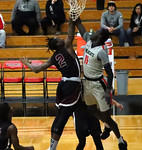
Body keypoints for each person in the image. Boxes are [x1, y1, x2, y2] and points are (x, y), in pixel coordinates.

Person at [20, 17, 82, 150]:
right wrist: (72, 19)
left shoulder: (54, 57)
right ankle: (53, 147)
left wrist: (26, 64)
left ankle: (52, 146)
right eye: (57, 38)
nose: (59, 37)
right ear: (59, 44)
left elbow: (36, 70)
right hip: (72, 85)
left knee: (59, 114)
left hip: (63, 86)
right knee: (63, 117)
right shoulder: (68, 47)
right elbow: (71, 33)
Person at [75, 17, 127, 150]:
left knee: (107, 116)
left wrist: (108, 91)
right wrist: (76, 17)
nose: (94, 32)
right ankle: (107, 125)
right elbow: (80, 26)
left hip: (99, 84)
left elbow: (109, 73)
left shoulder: (101, 52)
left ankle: (120, 141)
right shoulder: (88, 40)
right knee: (91, 108)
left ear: (100, 37)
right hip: (87, 82)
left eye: (97, 32)